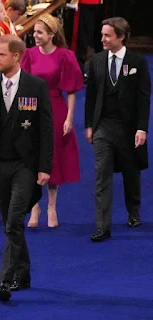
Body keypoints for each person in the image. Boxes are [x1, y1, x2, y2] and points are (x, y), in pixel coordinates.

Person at [0, 34, 53, 301]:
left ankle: (6, 280)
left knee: (15, 221)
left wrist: (44, 167)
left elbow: (46, 130)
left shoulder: (36, 86)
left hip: (25, 166)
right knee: (11, 224)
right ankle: (24, 272)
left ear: (16, 57)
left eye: (2, 54)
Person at [85, 17, 151, 242]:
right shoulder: (97, 60)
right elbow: (91, 96)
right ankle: (103, 226)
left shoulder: (137, 62)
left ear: (121, 37)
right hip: (103, 125)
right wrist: (89, 125)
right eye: (102, 35)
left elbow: (144, 98)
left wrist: (142, 128)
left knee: (131, 173)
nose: (102, 39)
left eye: (107, 35)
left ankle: (133, 212)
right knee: (101, 174)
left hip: (129, 128)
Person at [21, 13, 84, 228]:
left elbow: (73, 90)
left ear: (52, 34)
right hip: (32, 108)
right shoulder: (29, 54)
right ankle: (35, 207)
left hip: (56, 107)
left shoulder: (65, 56)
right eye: (35, 32)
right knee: (31, 157)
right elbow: (23, 87)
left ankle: (52, 207)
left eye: (40, 32)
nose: (35, 35)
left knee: (52, 157)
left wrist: (69, 117)